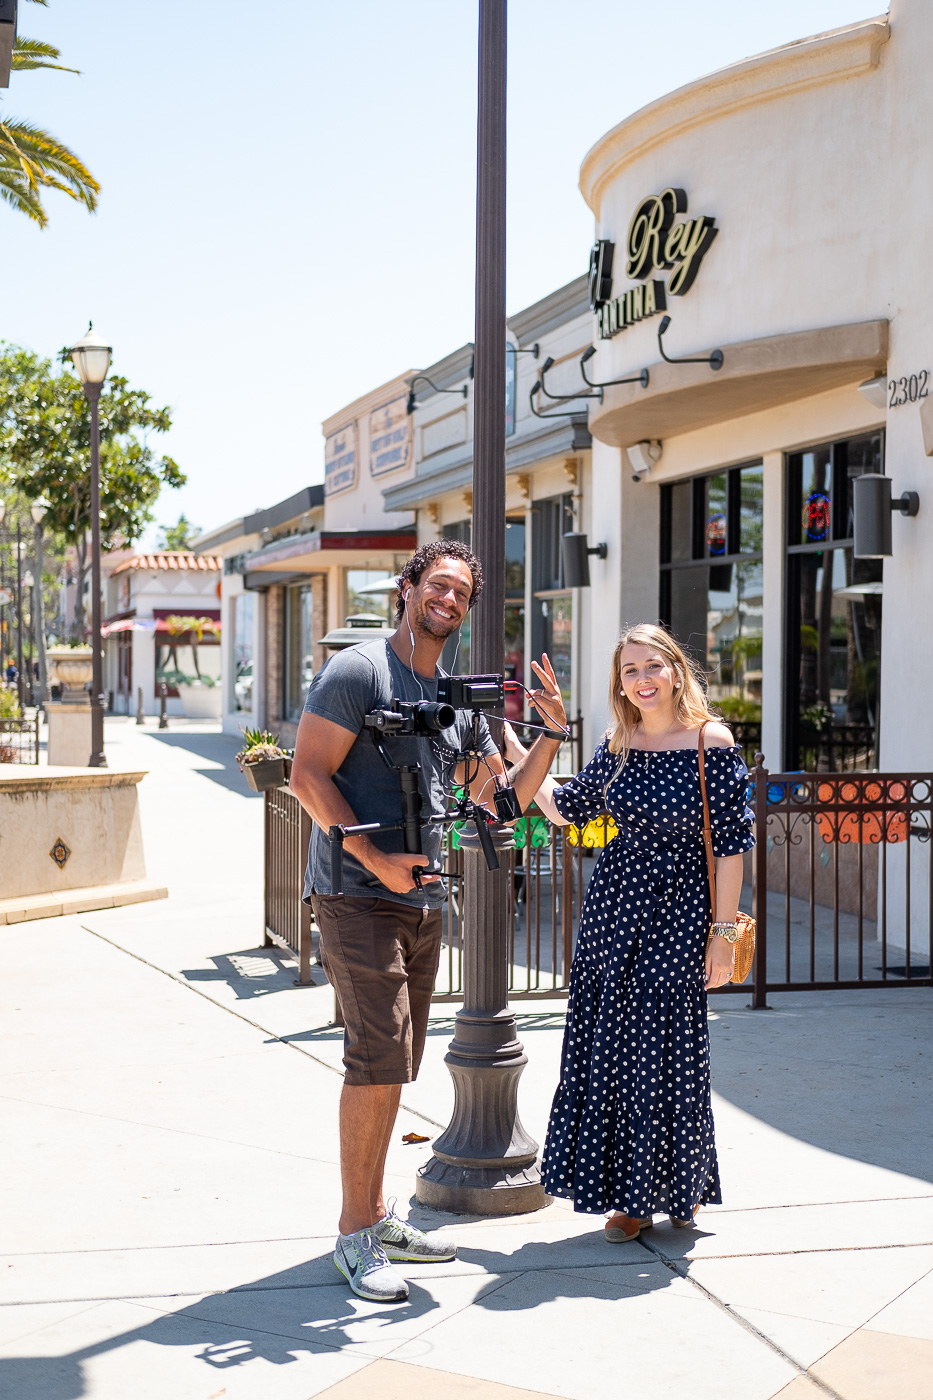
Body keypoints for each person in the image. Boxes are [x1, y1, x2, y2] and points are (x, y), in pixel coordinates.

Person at [289, 539, 566, 1302]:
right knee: (375, 1062)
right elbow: (305, 774)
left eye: (461, 594)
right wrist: (374, 858)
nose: (447, 600)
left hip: (421, 899)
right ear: (408, 587)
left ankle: (375, 1218)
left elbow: (498, 799)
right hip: (357, 893)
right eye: (436, 585)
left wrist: (547, 731)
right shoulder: (359, 670)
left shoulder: (455, 701)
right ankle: (354, 1234)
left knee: (395, 1065)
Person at [507, 622, 754, 1241]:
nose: (641, 680)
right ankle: (632, 1198)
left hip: (679, 917)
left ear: (675, 669)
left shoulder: (710, 741)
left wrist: (722, 935)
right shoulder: (617, 746)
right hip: (613, 917)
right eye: (629, 671)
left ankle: (680, 1187)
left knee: (668, 1052)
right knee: (609, 1053)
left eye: (651, 667)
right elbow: (567, 809)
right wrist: (526, 745)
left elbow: (730, 848)